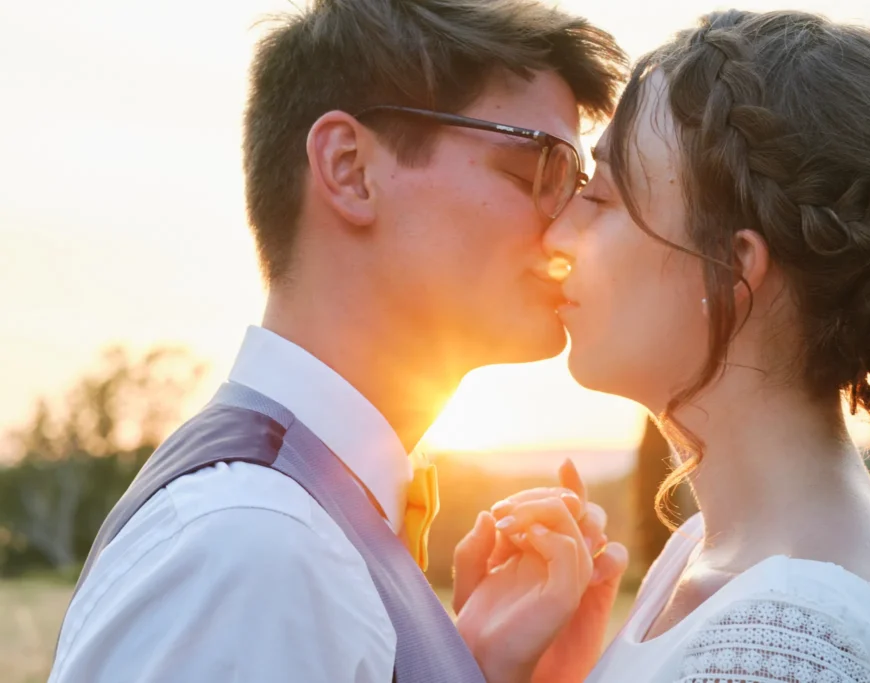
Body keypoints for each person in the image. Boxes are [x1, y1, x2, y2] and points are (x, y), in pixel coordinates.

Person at [48, 1, 628, 682]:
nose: (570, 230)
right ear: (350, 168)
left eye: (579, 184)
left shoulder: (302, 529)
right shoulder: (257, 550)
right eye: (538, 168)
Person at [455, 9, 870, 683]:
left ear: (732, 268)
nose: (558, 237)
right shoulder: (709, 556)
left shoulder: (780, 645)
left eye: (605, 196)